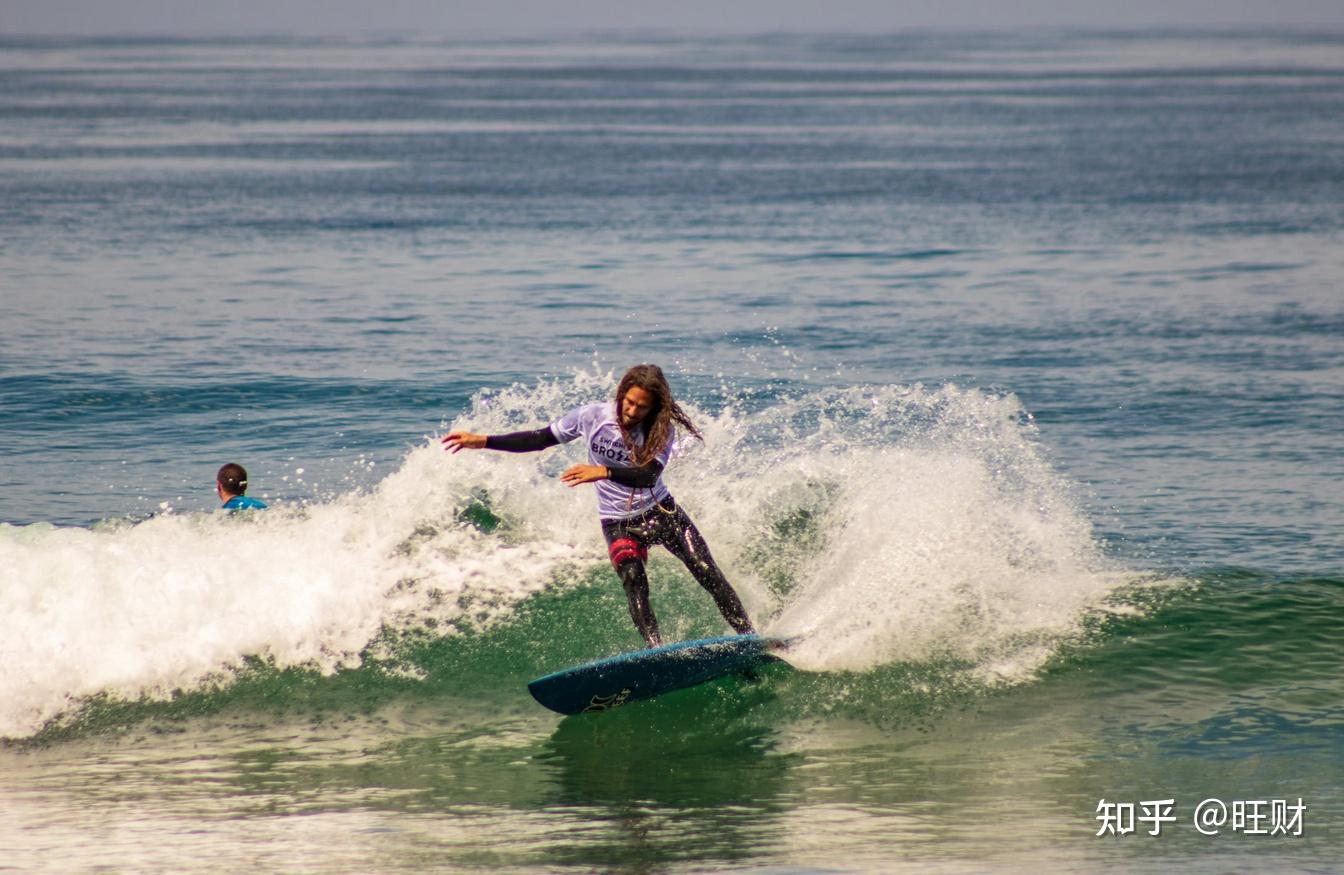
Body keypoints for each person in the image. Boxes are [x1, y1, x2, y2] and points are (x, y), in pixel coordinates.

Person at [442, 364, 755, 647]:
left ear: (653, 408)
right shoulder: (592, 416)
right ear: (620, 395)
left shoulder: (661, 430)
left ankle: (750, 638)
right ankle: (656, 650)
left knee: (706, 571)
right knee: (633, 580)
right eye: (628, 402)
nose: (631, 411)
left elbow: (648, 475)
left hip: (662, 512)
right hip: (618, 522)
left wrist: (602, 471)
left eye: (641, 407)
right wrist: (483, 441)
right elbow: (540, 438)